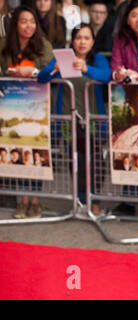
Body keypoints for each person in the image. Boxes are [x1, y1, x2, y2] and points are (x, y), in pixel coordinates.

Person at [38, 23, 111, 216]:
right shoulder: (63, 58)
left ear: (92, 41)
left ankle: (95, 201)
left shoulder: (98, 59)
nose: (82, 42)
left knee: (95, 161)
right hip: (69, 120)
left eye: (87, 38)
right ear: (73, 40)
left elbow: (106, 76)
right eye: (78, 37)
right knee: (74, 161)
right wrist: (53, 68)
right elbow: (41, 78)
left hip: (93, 120)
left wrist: (86, 68)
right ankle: (79, 200)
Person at [0, 5, 53, 219]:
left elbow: (51, 70)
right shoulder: (4, 45)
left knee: (36, 153)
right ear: (15, 24)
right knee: (16, 152)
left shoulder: (43, 44)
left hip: (37, 107)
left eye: (32, 21)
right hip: (10, 108)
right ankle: (21, 201)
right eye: (23, 21)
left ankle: (35, 202)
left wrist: (33, 72)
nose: (28, 25)